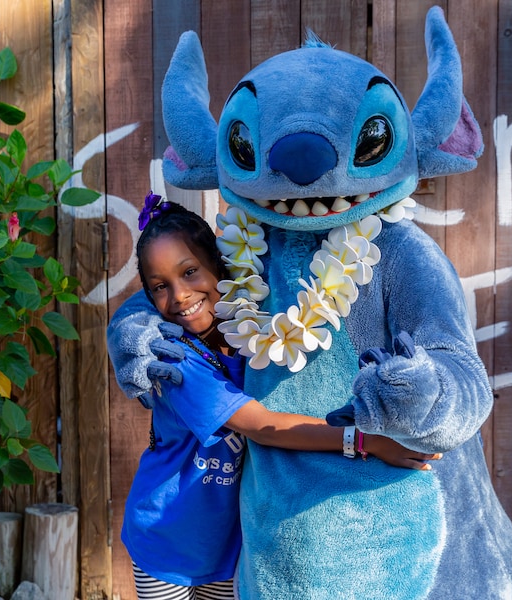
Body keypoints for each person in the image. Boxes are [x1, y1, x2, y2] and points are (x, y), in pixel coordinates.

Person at [109, 192, 440, 600]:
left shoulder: (248, 333)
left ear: (220, 266)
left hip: (229, 549)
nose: (179, 296)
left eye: (191, 271)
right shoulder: (179, 364)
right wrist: (364, 440)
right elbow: (264, 427)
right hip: (168, 544)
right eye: (160, 287)